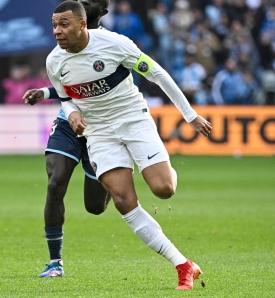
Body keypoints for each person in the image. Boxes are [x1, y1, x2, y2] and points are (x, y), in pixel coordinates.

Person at [47, 1, 213, 290]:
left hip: (132, 119)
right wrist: (72, 112)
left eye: (64, 24)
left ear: (83, 25)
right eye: (54, 25)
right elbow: (64, 96)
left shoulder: (115, 44)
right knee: (123, 200)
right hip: (98, 133)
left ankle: (157, 164)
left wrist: (190, 115)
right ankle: (183, 265)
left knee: (163, 189)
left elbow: (157, 73)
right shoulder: (54, 62)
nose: (57, 31)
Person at [22, 0, 111, 279]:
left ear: (100, 12)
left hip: (99, 129)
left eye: (91, 0)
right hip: (67, 123)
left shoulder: (112, 44)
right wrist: (46, 93)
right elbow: (65, 82)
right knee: (55, 183)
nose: (84, 1)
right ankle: (55, 263)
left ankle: (116, 171)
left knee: (95, 207)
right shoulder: (64, 43)